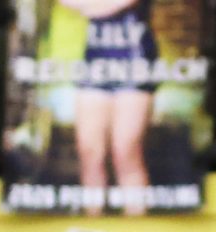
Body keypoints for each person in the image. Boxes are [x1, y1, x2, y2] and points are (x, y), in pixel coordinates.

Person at [63, 0, 156, 214]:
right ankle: (92, 219)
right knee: (89, 151)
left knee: (126, 151)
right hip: (94, 64)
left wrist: (91, 6)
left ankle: (136, 222)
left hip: (135, 63)